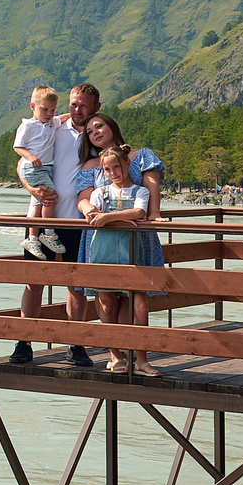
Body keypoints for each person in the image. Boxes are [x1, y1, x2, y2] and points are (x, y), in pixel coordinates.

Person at [10, 82, 100, 368]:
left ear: (95, 107)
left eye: (83, 105)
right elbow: (21, 165)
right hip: (40, 216)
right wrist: (32, 189)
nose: (77, 109)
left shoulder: (98, 134)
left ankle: (76, 345)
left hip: (76, 220)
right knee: (34, 282)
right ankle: (24, 342)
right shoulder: (52, 125)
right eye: (74, 104)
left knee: (76, 286)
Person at [78, 143, 152, 372]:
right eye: (107, 170)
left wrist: (108, 219)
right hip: (104, 252)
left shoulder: (141, 191)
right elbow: (93, 214)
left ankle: (141, 358)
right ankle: (115, 355)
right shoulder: (100, 193)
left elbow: (139, 212)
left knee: (138, 305)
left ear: (127, 164)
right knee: (107, 303)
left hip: (132, 254)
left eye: (116, 167)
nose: (113, 173)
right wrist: (117, 218)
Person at [13, 87, 66, 260]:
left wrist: (77, 114)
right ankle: (49, 233)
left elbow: (64, 118)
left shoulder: (52, 123)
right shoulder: (27, 126)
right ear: (33, 106)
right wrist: (30, 156)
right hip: (33, 168)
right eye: (44, 109)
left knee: (38, 203)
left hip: (46, 169)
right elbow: (18, 146)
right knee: (51, 197)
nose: (49, 113)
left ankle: (33, 238)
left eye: (53, 110)